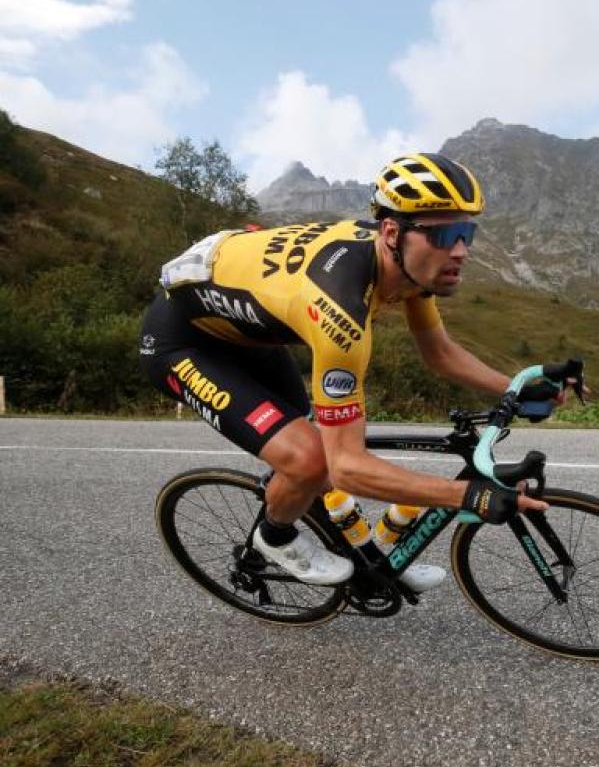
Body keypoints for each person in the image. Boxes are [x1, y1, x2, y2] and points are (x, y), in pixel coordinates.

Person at [139, 153, 559, 590]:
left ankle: (370, 557)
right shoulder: (340, 309)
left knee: (315, 449)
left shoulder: (410, 266)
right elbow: (347, 470)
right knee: (311, 462)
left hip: (250, 338)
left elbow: (441, 355)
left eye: (466, 232)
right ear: (392, 232)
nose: (460, 250)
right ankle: (274, 536)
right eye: (446, 234)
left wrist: (520, 388)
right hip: (183, 344)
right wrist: (467, 495)